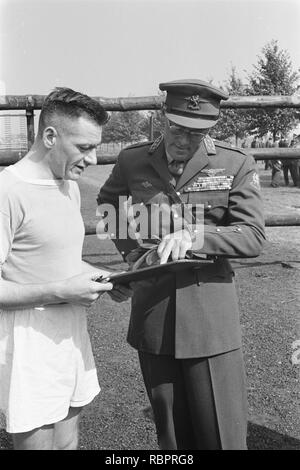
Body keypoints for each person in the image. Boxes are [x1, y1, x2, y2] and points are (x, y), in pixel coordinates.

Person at [97, 79, 265, 450]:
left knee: (221, 436)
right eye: (177, 128)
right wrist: (129, 253)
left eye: (196, 132)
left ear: (211, 129)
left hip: (210, 319)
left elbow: (253, 235)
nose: (183, 140)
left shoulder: (234, 163)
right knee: (172, 438)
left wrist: (196, 236)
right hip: (154, 315)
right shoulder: (132, 160)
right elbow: (108, 205)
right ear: (163, 118)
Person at [0, 87, 132, 450]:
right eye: (84, 147)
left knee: (67, 442)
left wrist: (106, 279)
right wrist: (61, 291)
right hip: (30, 338)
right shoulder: (8, 190)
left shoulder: (67, 186)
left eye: (95, 148)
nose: (91, 159)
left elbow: (62, 259)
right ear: (50, 136)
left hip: (70, 330)